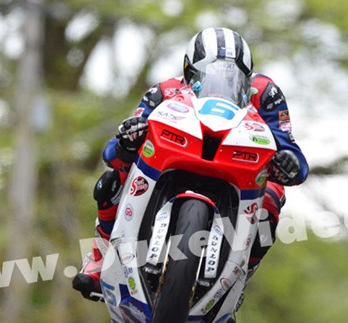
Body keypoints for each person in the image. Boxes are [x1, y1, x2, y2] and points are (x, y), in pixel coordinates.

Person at [72, 27, 309, 301]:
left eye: (234, 77)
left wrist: (287, 164)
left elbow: (294, 155)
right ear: (189, 72)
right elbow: (111, 152)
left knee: (272, 199)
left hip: (239, 171)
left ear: (248, 76)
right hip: (176, 162)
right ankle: (100, 260)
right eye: (207, 75)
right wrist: (128, 140)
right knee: (110, 182)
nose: (222, 84)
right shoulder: (163, 92)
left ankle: (240, 277)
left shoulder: (266, 94)